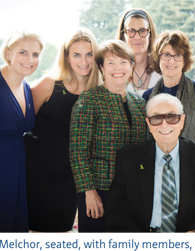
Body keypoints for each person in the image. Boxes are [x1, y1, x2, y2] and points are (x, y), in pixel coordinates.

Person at [106, 93, 195, 232]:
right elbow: (116, 211)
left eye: (171, 117)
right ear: (148, 124)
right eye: (156, 118)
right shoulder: (128, 158)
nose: (164, 124)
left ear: (182, 121)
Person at [24, 28, 101, 232]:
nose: (83, 61)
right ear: (66, 56)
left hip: (69, 178)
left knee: (61, 231)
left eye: (89, 54)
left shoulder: (97, 93)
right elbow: (20, 122)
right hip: (35, 173)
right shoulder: (49, 84)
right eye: (76, 54)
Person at [70, 39, 147, 232]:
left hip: (131, 192)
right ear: (102, 69)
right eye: (110, 63)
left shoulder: (139, 103)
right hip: (99, 191)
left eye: (123, 62)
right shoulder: (89, 99)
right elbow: (78, 152)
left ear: (131, 66)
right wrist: (89, 191)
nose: (117, 68)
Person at [0, 30, 44, 232]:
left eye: (35, 54)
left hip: (14, 174)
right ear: (8, 53)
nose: (30, 59)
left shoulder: (26, 88)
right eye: (22, 52)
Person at [143, 30, 195, 158]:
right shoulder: (148, 97)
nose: (171, 61)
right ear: (158, 58)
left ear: (185, 60)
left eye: (178, 55)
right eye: (166, 55)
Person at [116, 8, 161, 96]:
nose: (137, 37)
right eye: (131, 31)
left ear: (150, 35)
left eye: (142, 30)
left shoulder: (162, 69)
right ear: (123, 36)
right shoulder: (113, 71)